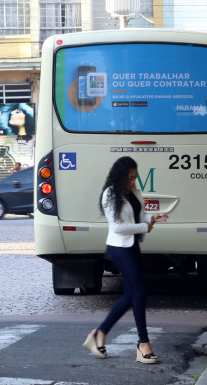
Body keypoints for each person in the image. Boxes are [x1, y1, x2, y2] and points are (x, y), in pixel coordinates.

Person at [82, 156, 168, 364]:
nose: (132, 181)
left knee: (132, 293)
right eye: (129, 177)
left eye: (134, 177)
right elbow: (117, 227)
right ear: (119, 175)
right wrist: (144, 227)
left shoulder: (135, 192)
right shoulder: (110, 194)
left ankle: (100, 333)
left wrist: (152, 218)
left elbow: (137, 218)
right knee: (139, 292)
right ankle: (143, 343)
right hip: (118, 248)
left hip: (132, 245)